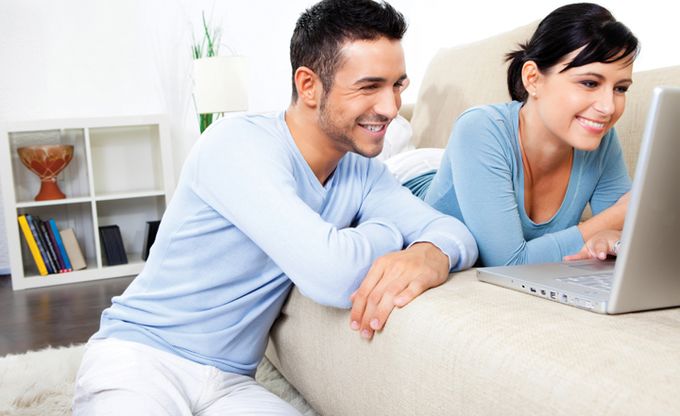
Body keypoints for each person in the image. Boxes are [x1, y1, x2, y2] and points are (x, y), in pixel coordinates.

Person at [72, 1, 477, 414]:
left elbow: (454, 232)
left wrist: (431, 253)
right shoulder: (236, 144)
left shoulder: (362, 172)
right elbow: (332, 275)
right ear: (308, 85)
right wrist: (392, 235)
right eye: (369, 87)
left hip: (230, 382)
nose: (391, 107)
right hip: (143, 359)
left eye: (397, 86)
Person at [399, 2, 638, 267]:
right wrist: (615, 218)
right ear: (533, 78)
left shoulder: (600, 138)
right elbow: (509, 262)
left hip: (466, 162)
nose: (608, 107)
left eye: (620, 88)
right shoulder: (479, 127)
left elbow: (628, 233)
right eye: (589, 83)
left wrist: (611, 233)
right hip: (408, 175)